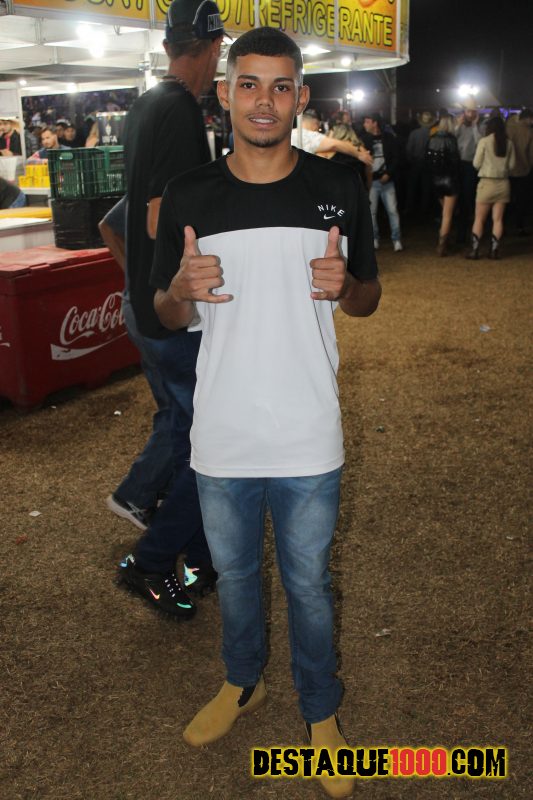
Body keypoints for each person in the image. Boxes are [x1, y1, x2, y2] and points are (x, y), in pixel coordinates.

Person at [150, 26, 381, 799]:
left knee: (308, 583)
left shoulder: (337, 187)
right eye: (248, 83)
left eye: (280, 86)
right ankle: (241, 681)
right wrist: (180, 289)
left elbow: (366, 299)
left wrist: (346, 285)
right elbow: (165, 314)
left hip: (308, 430)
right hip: (223, 433)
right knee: (238, 574)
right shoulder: (189, 194)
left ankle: (319, 710)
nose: (263, 100)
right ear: (224, 93)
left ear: (300, 97)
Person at [113, 0, 225, 618]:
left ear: (166, 47)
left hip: (147, 303)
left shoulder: (146, 104)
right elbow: (161, 218)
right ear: (212, 49)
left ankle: (196, 561)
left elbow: (126, 215)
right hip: (170, 311)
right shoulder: (180, 110)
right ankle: (155, 561)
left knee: (192, 435)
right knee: (213, 445)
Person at [99, 197, 174, 535]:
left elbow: (107, 226)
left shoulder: (150, 182)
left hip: (143, 306)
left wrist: (135, 280)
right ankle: (134, 494)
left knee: (171, 407)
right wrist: (138, 281)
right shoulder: (170, 183)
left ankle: (160, 490)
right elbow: (107, 227)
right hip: (152, 311)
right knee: (182, 412)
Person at [466, 116, 516, 260]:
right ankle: (494, 251)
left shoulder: (484, 141)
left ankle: (475, 250)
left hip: (486, 183)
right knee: (498, 220)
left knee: (479, 219)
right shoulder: (509, 143)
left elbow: (476, 163)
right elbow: (512, 166)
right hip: (503, 184)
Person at [361, 112, 403, 251]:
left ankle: (396, 239)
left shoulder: (389, 138)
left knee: (392, 211)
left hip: (387, 181)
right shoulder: (364, 139)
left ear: (375, 123)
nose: (365, 125)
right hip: (372, 182)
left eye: (367, 122)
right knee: (372, 212)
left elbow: (396, 157)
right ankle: (374, 238)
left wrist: (388, 173)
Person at [425, 113, 460, 256]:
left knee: (444, 211)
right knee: (447, 214)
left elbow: (427, 159)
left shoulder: (431, 138)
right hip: (449, 180)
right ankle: (442, 244)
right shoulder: (451, 140)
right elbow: (455, 161)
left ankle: (446, 239)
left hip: (436, 180)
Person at [292, 108, 373, 167]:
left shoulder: (291, 134)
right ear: (316, 123)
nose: (317, 130)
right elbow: (335, 144)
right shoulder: (308, 136)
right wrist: (359, 154)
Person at [455, 98, 482, 243]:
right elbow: (452, 139)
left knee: (467, 198)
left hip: (471, 166)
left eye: (473, 111)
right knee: (458, 198)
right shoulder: (459, 125)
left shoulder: (478, 127)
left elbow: (479, 142)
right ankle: (459, 232)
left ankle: (465, 233)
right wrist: (458, 125)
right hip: (458, 164)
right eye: (468, 111)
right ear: (464, 112)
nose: (470, 114)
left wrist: (475, 126)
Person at [506, 108, 533, 235]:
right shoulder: (529, 132)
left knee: (507, 197)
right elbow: (531, 153)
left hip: (507, 170)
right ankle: (519, 226)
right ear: (527, 118)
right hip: (523, 169)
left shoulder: (508, 127)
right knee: (521, 199)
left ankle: (502, 225)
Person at [404, 110, 436, 216]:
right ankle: (424, 209)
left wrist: (410, 161)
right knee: (426, 187)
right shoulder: (433, 134)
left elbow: (409, 149)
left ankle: (409, 208)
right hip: (428, 163)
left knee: (412, 186)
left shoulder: (414, 133)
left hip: (415, 162)